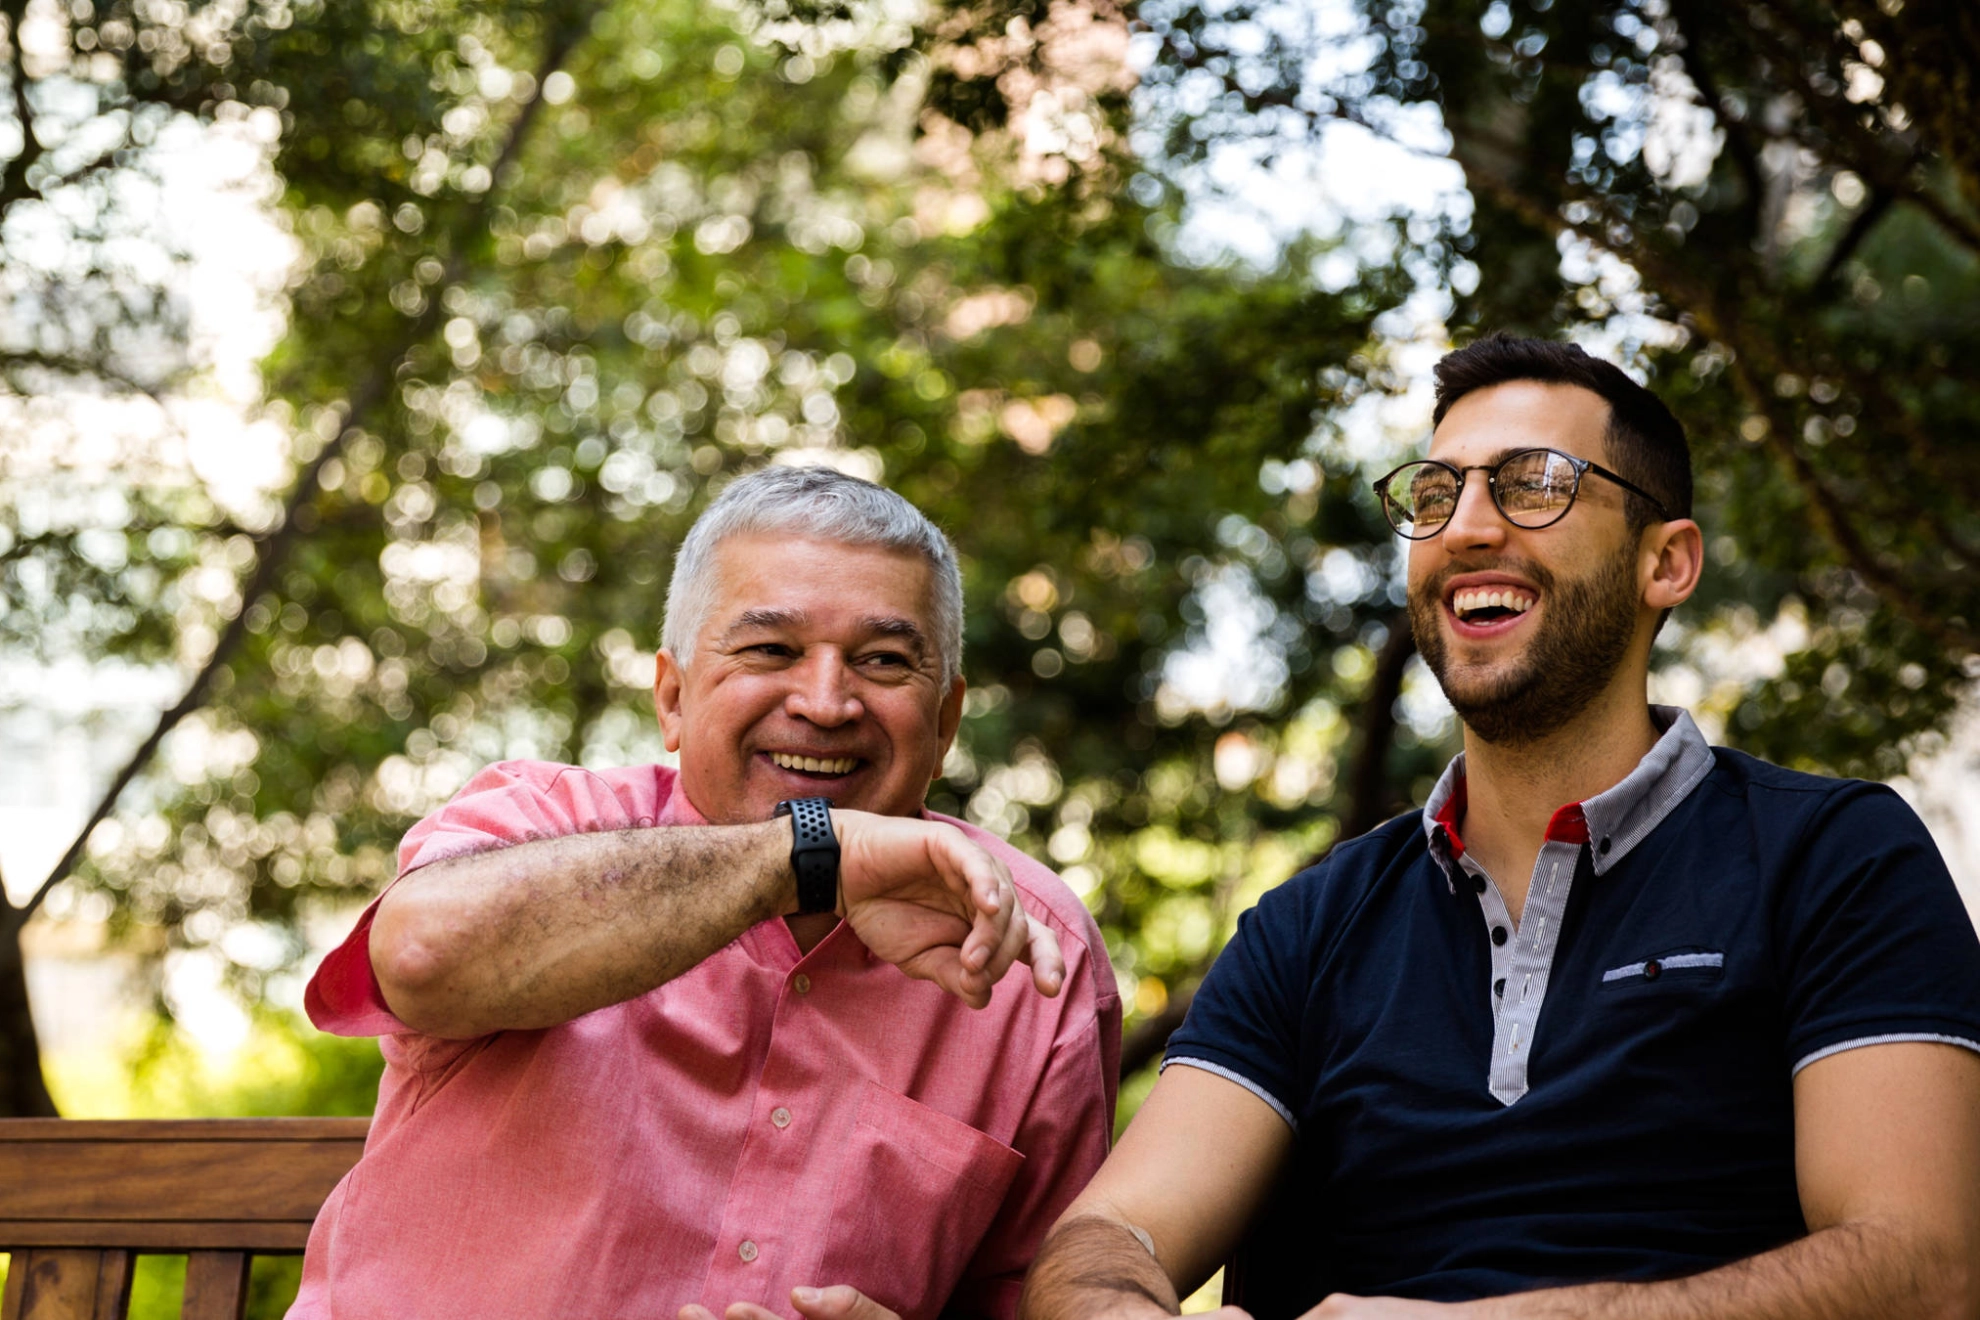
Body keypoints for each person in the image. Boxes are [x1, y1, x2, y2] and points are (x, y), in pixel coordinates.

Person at [1019, 334, 1980, 1320]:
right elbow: (1110, 1232)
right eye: (1436, 495)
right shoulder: (1308, 925)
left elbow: (1924, 1269)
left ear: (1668, 563)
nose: (1466, 528)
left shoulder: (1837, 859)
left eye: (1533, 486)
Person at [291, 465, 1121, 1320]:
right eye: (770, 650)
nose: (827, 702)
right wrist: (808, 855)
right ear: (673, 695)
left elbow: (1046, 1294)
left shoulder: (1028, 944)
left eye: (882, 660)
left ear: (945, 720)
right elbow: (422, 956)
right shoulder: (546, 824)